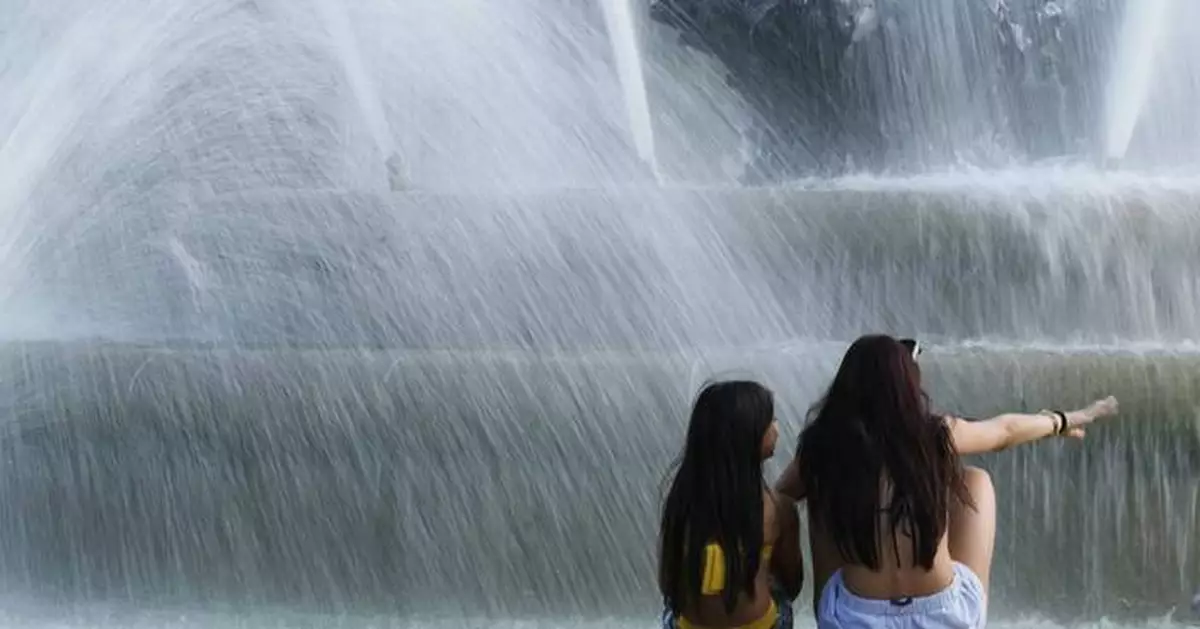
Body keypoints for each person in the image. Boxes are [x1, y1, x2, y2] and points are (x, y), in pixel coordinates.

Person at [773, 335, 1119, 628]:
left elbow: (776, 499)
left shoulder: (824, 444)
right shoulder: (935, 435)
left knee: (822, 491)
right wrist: (1063, 420)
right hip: (944, 617)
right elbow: (1005, 431)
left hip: (851, 618)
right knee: (974, 480)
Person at [659, 380, 805, 629]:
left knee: (671, 607)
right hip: (759, 625)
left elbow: (667, 581)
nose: (777, 427)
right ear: (749, 435)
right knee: (779, 595)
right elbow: (792, 583)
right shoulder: (779, 509)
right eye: (770, 420)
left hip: (690, 626)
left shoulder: (680, 504)